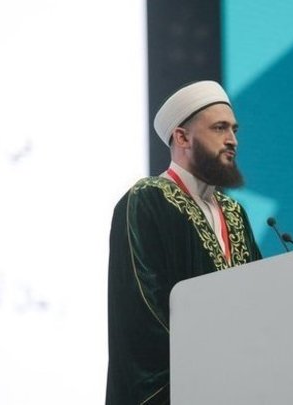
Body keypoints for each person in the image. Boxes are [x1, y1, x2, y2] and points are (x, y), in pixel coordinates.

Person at [106, 81, 262, 405]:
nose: (232, 140)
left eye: (233, 129)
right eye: (219, 128)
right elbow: (142, 312)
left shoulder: (235, 213)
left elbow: (262, 299)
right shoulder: (146, 200)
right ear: (182, 137)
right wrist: (209, 368)